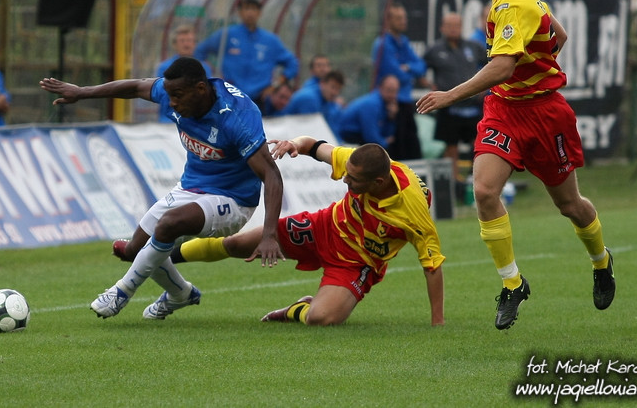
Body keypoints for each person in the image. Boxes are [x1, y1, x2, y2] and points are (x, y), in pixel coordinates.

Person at [416, 0, 615, 330]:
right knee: (485, 190)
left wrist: (449, 95)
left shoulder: (514, 3)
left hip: (544, 114)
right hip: (505, 110)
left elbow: (503, 66)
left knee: (570, 206)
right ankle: (512, 283)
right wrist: (537, 64)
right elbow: (559, 35)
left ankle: (601, 261)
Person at [39, 57, 284, 320]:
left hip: (234, 200)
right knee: (135, 250)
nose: (172, 102)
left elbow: (271, 175)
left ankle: (122, 291)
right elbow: (136, 87)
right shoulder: (173, 92)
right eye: (169, 95)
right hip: (191, 187)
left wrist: (269, 234)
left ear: (201, 89)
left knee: (169, 224)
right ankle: (181, 293)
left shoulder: (237, 117)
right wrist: (81, 92)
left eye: (177, 96)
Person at [171, 137, 445, 326]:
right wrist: (294, 144)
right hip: (324, 227)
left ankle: (297, 309)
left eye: (352, 179)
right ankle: (163, 257)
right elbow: (313, 146)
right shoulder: (358, 161)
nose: (344, 179)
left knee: (321, 318)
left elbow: (432, 266)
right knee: (237, 244)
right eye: (346, 173)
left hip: (356, 261)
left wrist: (437, 322)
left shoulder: (413, 212)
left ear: (379, 182)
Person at [193, 0, 299, 110]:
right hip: (231, 97)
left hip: (259, 99)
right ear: (240, 12)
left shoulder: (270, 40)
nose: (250, 13)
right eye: (246, 8)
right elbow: (200, 51)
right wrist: (211, 73)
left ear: (259, 13)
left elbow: (292, 63)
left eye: (254, 9)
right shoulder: (227, 35)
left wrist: (275, 85)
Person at [423, 12, 486, 194]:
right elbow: (419, 68)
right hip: (449, 108)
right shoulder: (434, 50)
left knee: (480, 143)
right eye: (449, 25)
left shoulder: (473, 47)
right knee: (451, 146)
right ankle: (453, 185)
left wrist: (485, 87)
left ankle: (477, 180)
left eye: (456, 25)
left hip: (472, 107)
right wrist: (429, 85)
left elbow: (492, 65)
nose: (453, 29)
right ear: (442, 27)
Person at [371, 2, 427, 160]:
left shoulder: (404, 42)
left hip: (405, 101)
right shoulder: (382, 44)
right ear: (388, 20)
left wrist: (407, 67)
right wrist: (410, 72)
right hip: (391, 102)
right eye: (398, 18)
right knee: (397, 149)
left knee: (412, 147)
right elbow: (395, 75)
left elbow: (421, 66)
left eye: (404, 18)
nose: (403, 21)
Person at [154, 25, 213, 123]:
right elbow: (161, 93)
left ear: (195, 44)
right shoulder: (164, 67)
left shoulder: (204, 67)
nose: (186, 44)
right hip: (169, 122)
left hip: (196, 123)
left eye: (189, 40)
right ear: (174, 45)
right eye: (182, 41)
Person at [338, 75, 399, 152]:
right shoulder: (372, 104)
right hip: (346, 141)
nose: (391, 95)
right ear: (380, 88)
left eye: (394, 91)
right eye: (388, 90)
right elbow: (371, 138)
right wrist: (385, 142)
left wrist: (392, 118)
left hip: (357, 140)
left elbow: (386, 134)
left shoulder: (386, 105)